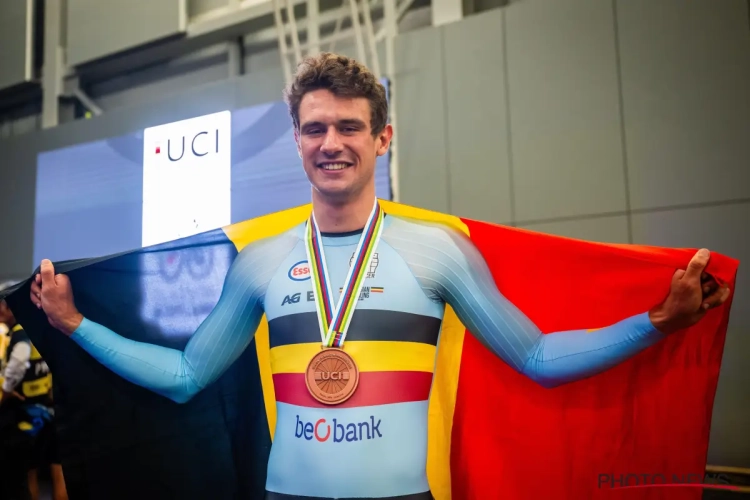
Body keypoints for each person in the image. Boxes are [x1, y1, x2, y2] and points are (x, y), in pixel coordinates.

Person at [30, 53, 730, 500]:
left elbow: (540, 359)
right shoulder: (261, 262)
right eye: (314, 129)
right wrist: (73, 323)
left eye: (349, 127)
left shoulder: (437, 252)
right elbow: (187, 376)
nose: (331, 143)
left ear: (382, 139)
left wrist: (658, 322)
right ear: (296, 141)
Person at [1, 289, 67, 500]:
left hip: (27, 414)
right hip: (50, 409)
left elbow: (18, 362)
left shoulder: (19, 334)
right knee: (58, 470)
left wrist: (5, 391)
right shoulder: (40, 329)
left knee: (29, 473)